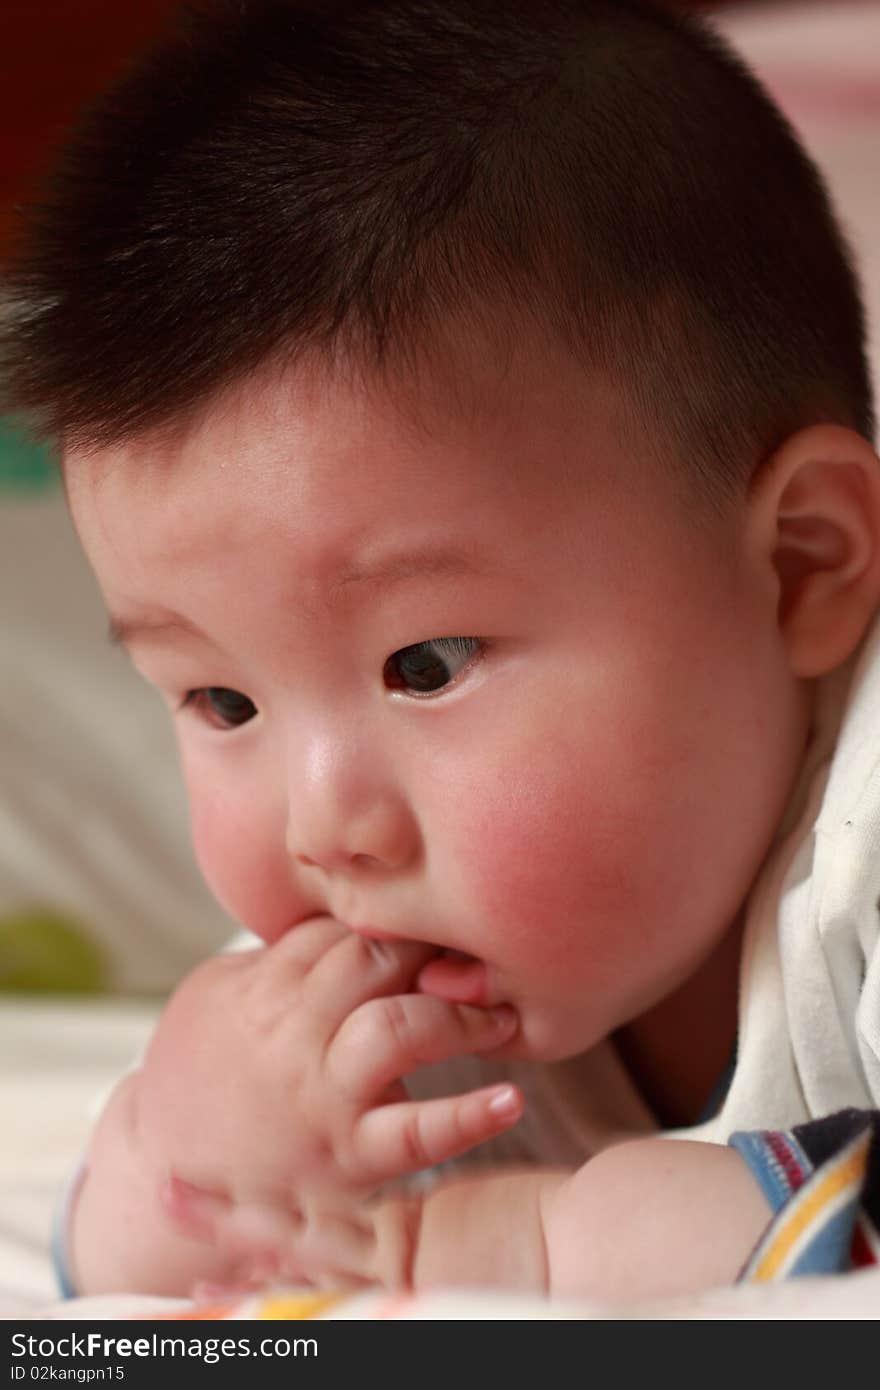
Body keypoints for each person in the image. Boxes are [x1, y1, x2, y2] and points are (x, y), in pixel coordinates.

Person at [2, 0, 879, 1302]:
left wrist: (528, 1242)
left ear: (802, 566)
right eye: (221, 698)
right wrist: (181, 1151)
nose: (324, 829)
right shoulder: (390, 974)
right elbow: (111, 1273)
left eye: (425, 664)